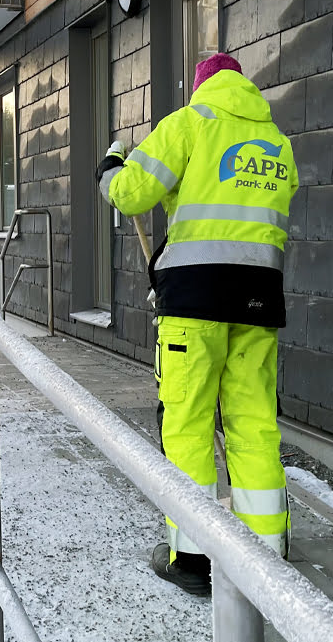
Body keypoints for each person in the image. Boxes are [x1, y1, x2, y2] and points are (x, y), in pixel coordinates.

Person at [96, 53, 298, 596]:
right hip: (258, 303)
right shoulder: (276, 143)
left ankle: (193, 557)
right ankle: (265, 558)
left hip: (193, 304)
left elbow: (131, 192)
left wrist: (110, 167)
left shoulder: (189, 123)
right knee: (254, 424)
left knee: (187, 424)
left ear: (200, 87)